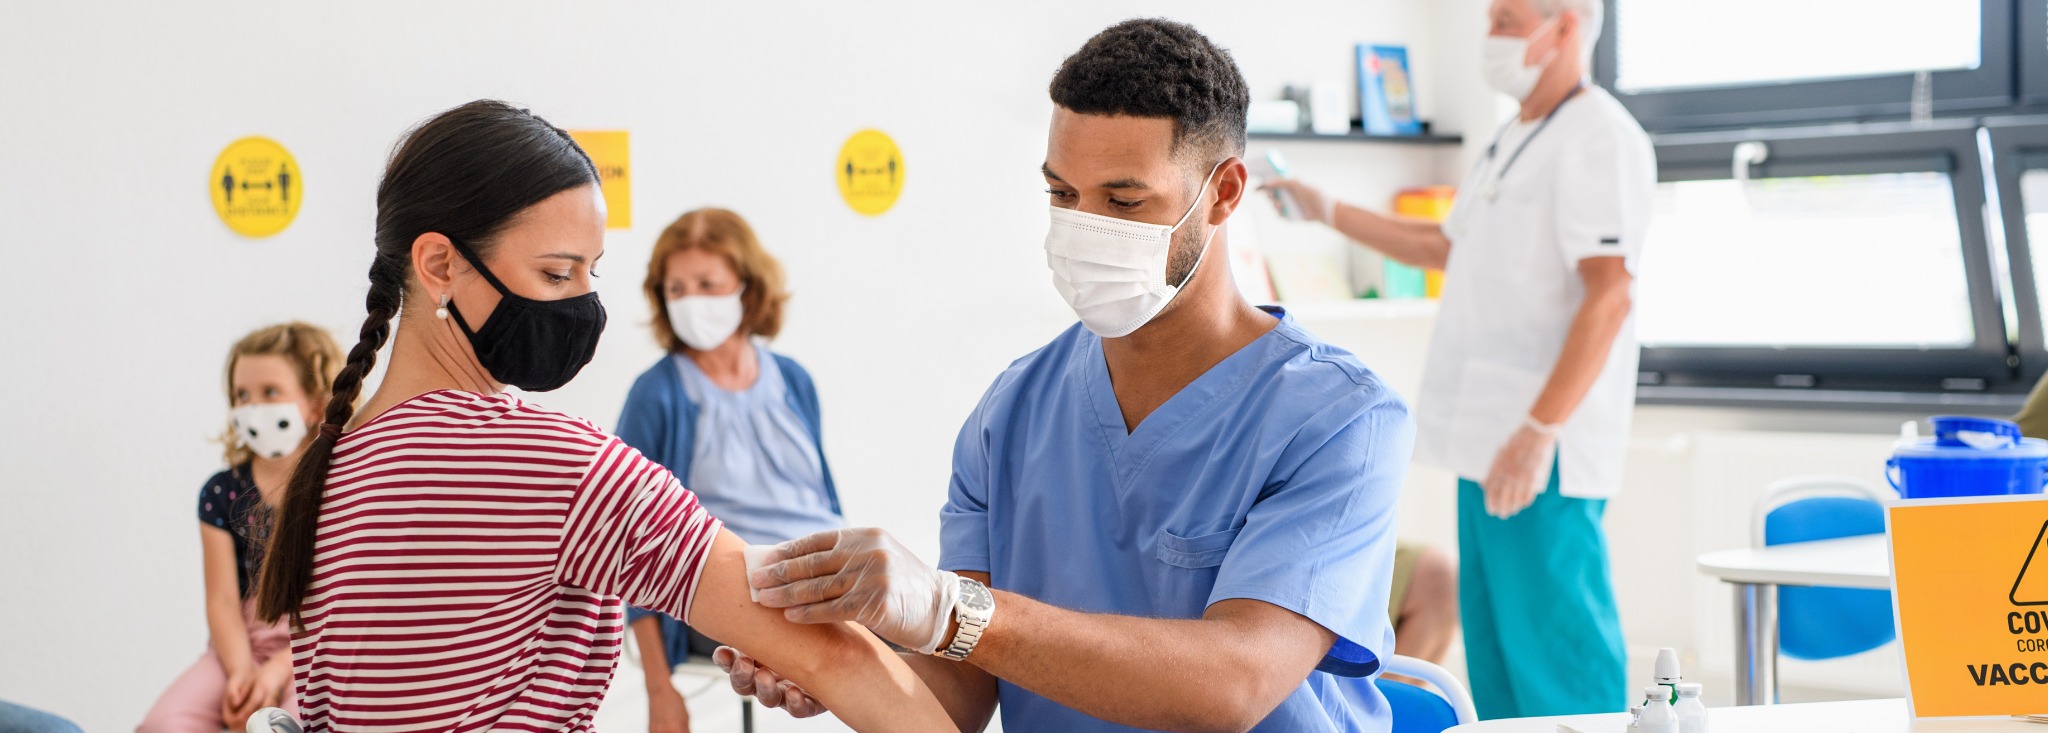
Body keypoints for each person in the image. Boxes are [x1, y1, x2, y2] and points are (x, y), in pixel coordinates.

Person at [721, 19, 1413, 732]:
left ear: (1224, 192)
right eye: (1061, 194)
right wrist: (838, 664)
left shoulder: (1340, 420)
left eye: (1122, 201)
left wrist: (946, 608)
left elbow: (1230, 685)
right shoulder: (1012, 411)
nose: (1084, 227)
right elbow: (958, 693)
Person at [247, 100, 956, 733]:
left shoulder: (335, 459)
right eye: (557, 273)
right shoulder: (555, 465)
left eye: (593, 271)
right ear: (438, 264)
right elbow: (832, 650)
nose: (584, 305)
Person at [1262, 0, 1654, 717]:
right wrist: (1326, 209)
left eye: (1508, 20)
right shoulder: (1514, 136)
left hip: (1544, 448)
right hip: (1487, 437)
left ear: (1565, 26)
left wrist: (1539, 432)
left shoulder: (1601, 138)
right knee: (1498, 651)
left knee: (1557, 650)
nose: (1491, 36)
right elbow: (1444, 248)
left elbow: (1610, 296)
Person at [617, 208, 845, 733]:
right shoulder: (658, 395)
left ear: (746, 287)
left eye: (706, 284)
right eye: (676, 289)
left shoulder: (793, 381)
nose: (690, 301)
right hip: (731, 592)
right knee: (866, 654)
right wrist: (659, 689)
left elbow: (824, 505)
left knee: (929, 623)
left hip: (820, 583)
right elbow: (629, 546)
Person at [138, 322, 341, 732]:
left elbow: (343, 602)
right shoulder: (221, 492)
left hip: (314, 649)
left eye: (270, 392)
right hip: (239, 648)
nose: (253, 407)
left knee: (298, 722)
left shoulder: (339, 485)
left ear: (316, 405)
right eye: (242, 395)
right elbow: (222, 603)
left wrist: (278, 672)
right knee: (164, 723)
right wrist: (241, 675)